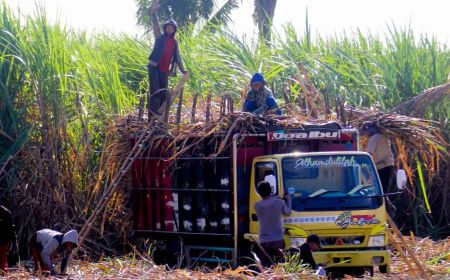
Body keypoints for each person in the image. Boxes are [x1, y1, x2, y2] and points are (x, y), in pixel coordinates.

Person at [147, 0, 187, 117]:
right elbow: (155, 24)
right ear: (165, 28)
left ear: (174, 30)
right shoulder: (159, 36)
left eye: (172, 28)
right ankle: (152, 116)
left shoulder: (174, 43)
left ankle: (159, 117)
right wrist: (154, 13)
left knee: (164, 93)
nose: (169, 29)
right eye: (168, 27)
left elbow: (178, 58)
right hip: (154, 67)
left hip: (164, 70)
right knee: (155, 92)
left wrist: (183, 70)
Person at [254, 181, 292, 267]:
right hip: (278, 239)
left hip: (264, 240)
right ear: (270, 190)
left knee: (265, 266)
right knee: (281, 266)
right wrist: (289, 198)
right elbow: (287, 212)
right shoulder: (279, 202)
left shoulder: (257, 205)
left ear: (259, 192)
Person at [359, 121, 395, 193]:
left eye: (365, 132)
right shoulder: (384, 136)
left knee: (380, 191)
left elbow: (368, 154)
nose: (365, 135)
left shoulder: (374, 138)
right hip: (388, 165)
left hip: (381, 167)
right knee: (384, 190)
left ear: (368, 130)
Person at [0, 205, 15, 275]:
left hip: (3, 239)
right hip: (4, 238)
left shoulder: (6, 213)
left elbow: (11, 229)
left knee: (2, 257)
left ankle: (3, 274)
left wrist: (13, 240)